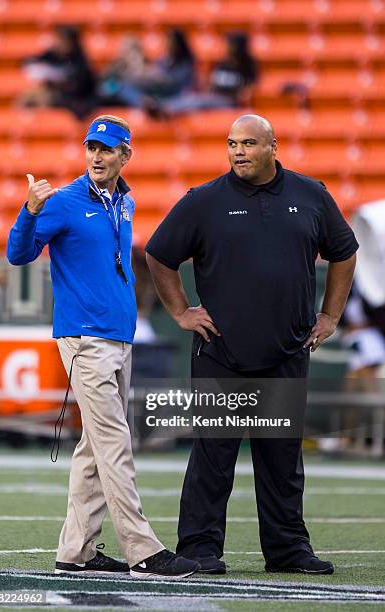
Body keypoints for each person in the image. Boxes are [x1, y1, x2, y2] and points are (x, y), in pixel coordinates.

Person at [145, 114, 358, 575]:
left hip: (286, 352)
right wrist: (182, 311)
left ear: (272, 146)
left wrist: (332, 314)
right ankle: (200, 548)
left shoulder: (311, 195)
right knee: (212, 458)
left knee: (282, 459)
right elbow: (159, 255)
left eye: (248, 143)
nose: (238, 151)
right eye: (231, 144)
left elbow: (344, 250)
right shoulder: (204, 201)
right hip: (222, 354)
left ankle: (287, 551)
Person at [6, 115, 199, 580]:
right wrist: (29, 211)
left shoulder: (125, 200)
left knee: (95, 448)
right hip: (86, 338)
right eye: (91, 147)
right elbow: (19, 254)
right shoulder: (66, 201)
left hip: (118, 335)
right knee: (115, 443)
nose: (96, 155)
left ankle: (77, 552)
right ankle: (144, 552)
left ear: (125, 155)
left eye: (107, 149)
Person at [20, 25, 96, 119]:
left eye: (62, 40)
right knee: (31, 94)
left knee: (43, 97)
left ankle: (45, 124)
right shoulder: (53, 54)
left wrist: (60, 83)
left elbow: (79, 86)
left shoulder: (80, 61)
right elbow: (30, 61)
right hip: (55, 92)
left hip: (75, 99)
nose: (58, 43)